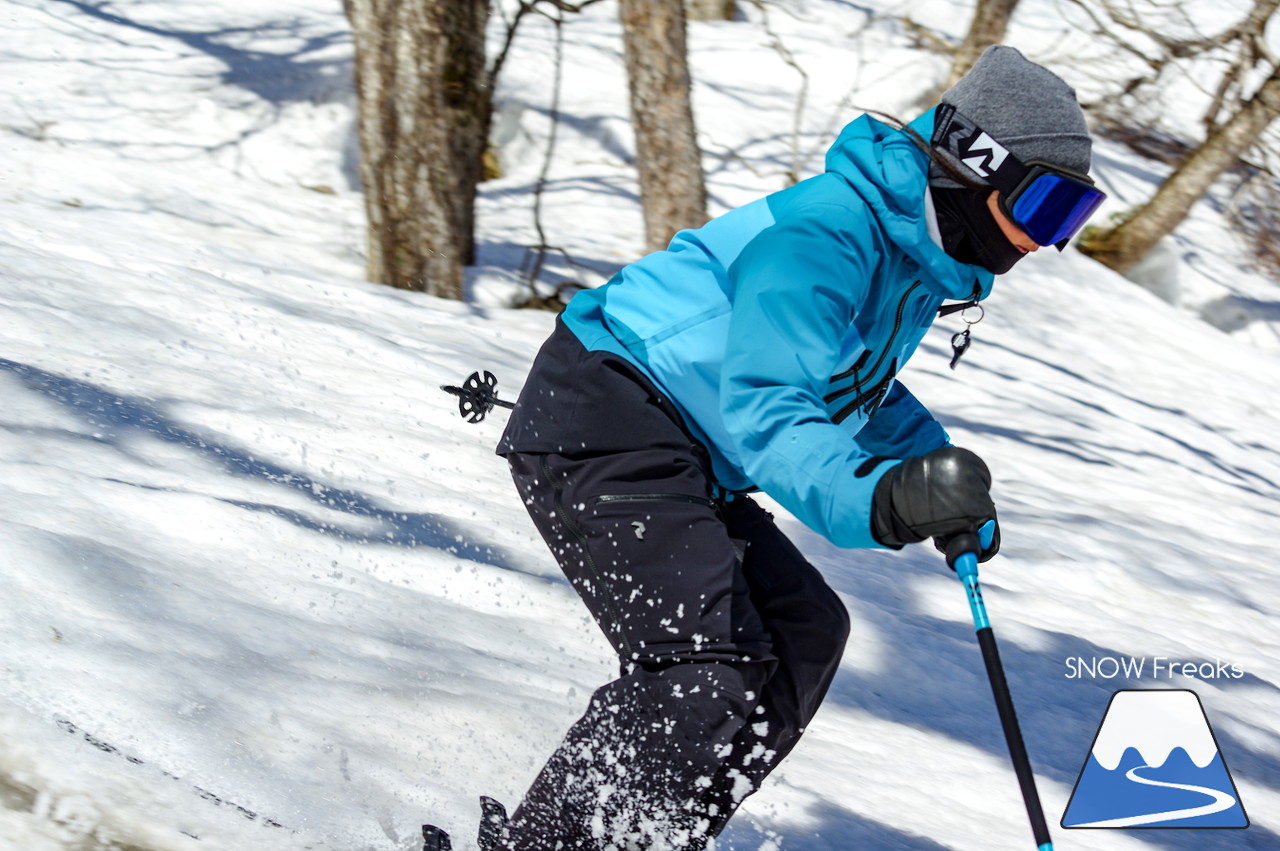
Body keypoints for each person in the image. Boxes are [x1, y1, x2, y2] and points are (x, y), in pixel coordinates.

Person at [491, 45, 1104, 850]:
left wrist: (932, 466)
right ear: (975, 162)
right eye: (1045, 208)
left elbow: (849, 380)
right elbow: (772, 406)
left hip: (678, 444)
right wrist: (879, 499)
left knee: (802, 632)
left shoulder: (907, 256)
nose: (1043, 243)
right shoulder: (826, 235)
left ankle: (646, 836)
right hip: (605, 412)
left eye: (1073, 219)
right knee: (705, 664)